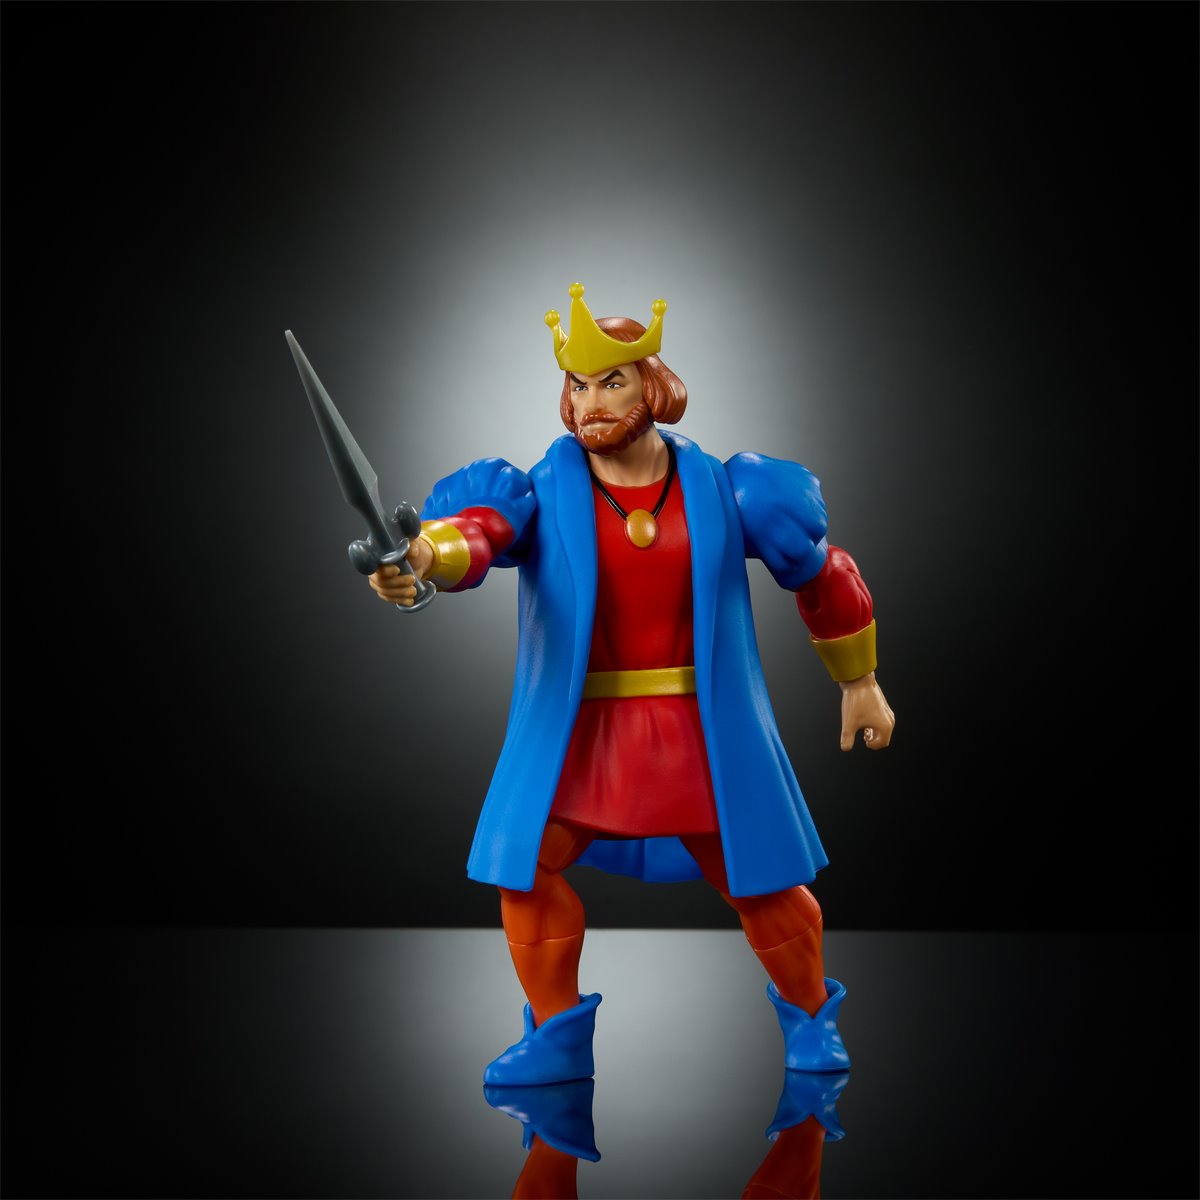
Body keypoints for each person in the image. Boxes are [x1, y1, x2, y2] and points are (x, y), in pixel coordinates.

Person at [369, 283, 895, 1085]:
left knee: (763, 879)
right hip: (587, 735)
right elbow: (476, 536)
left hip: (701, 729)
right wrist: (421, 559)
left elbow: (820, 572)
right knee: (524, 868)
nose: (591, 404)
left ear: (653, 385)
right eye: (578, 385)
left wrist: (859, 681)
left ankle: (811, 1020)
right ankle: (556, 1035)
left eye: (610, 382)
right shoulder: (544, 490)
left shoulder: (727, 488)